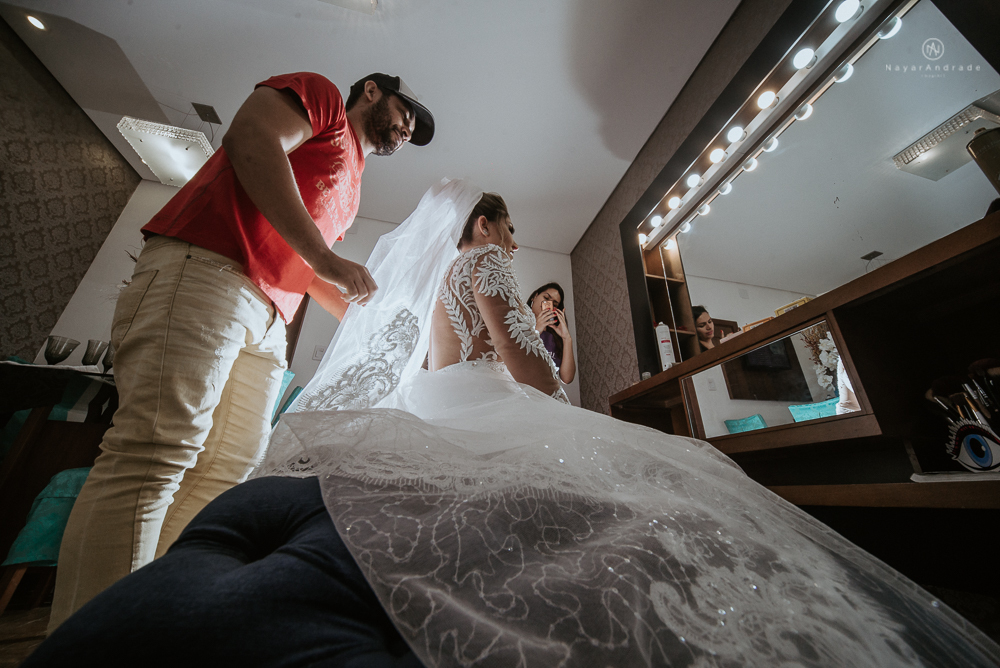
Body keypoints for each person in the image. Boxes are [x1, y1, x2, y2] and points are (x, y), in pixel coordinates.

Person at [31, 180, 1000, 667]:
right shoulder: (489, 265)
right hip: (503, 398)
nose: (510, 237)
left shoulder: (442, 286)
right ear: (491, 228)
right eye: (507, 227)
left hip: (440, 404)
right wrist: (549, 369)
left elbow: (452, 367)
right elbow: (531, 375)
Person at [48, 71, 435, 631]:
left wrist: (370, 325)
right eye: (406, 114)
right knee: (156, 450)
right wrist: (328, 262)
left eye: (413, 130)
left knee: (230, 467)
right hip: (209, 268)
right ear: (373, 90)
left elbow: (305, 266)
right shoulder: (322, 97)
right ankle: (94, 640)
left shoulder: (354, 181)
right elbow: (250, 139)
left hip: (269, 317)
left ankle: (151, 618)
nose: (406, 129)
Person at [527, 283, 576, 383]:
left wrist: (566, 338)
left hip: (547, 393)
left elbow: (567, 378)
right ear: (535, 297)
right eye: (546, 298)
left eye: (554, 304)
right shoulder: (519, 322)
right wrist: (537, 331)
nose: (548, 305)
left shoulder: (555, 337)